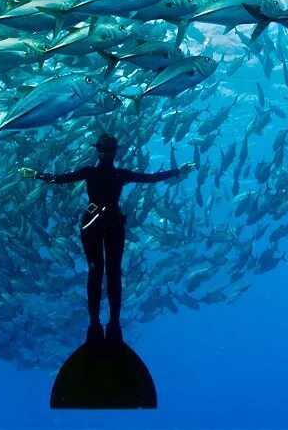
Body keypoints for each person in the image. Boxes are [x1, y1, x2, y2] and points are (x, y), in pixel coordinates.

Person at [20, 133, 194, 346]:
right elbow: (151, 178)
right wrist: (178, 170)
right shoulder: (121, 174)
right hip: (114, 224)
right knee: (113, 273)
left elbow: (60, 179)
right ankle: (114, 325)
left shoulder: (89, 172)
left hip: (91, 224)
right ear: (115, 152)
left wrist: (35, 174)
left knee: (95, 272)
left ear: (97, 151)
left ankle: (94, 324)